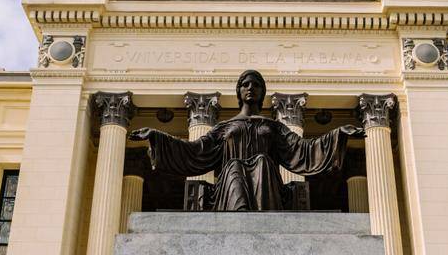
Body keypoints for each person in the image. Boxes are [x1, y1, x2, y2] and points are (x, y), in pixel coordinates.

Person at [129, 70, 362, 211]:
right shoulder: (223, 128)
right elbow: (195, 150)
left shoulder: (274, 127)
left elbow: (302, 150)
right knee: (233, 167)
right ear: (239, 91)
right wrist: (157, 137)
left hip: (268, 188)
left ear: (262, 92)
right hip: (228, 190)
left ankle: (259, 219)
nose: (251, 88)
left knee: (261, 161)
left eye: (256, 85)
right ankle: (239, 218)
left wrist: (338, 134)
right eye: (246, 84)